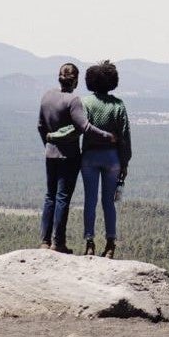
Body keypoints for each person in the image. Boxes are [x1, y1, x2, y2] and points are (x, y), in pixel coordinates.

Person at [46, 60, 131, 258]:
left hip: (90, 157)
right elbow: (125, 137)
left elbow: (76, 129)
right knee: (109, 202)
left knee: (90, 201)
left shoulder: (86, 103)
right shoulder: (118, 105)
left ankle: (90, 243)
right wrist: (125, 163)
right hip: (112, 159)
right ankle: (110, 245)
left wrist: (53, 136)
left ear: (91, 81)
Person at [36, 63, 113, 253]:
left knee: (50, 196)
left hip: (50, 154)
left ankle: (45, 241)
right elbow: (84, 127)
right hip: (68, 156)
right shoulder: (73, 101)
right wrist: (107, 136)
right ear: (76, 81)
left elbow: (40, 126)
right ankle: (58, 243)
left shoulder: (47, 96)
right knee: (62, 197)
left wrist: (48, 145)